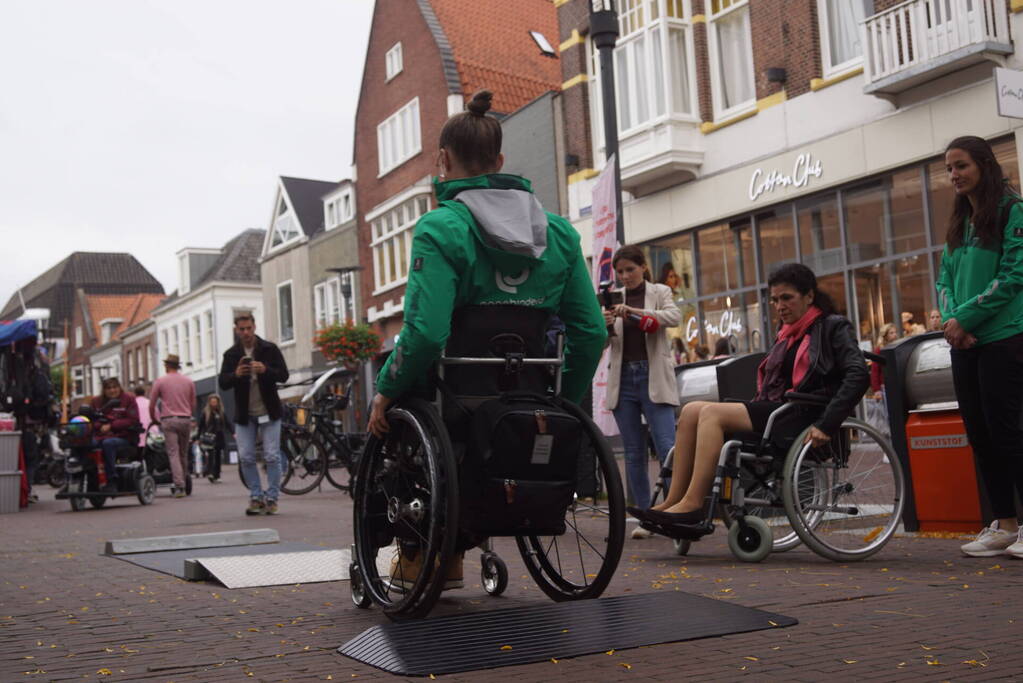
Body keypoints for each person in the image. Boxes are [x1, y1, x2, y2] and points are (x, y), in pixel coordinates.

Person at [366, 89, 606, 587]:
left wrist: (385, 392)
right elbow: (591, 331)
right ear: (499, 161)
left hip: (456, 399)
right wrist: (566, 404)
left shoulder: (441, 228)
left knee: (395, 420)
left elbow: (426, 333)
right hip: (527, 393)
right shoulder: (559, 233)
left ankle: (424, 555)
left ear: (442, 160)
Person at [631, 263, 868, 533]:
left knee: (710, 413)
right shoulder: (788, 334)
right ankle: (673, 501)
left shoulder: (832, 327)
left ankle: (694, 504)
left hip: (805, 415)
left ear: (809, 296)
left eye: (787, 298)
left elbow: (859, 375)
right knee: (690, 410)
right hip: (781, 411)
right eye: (775, 300)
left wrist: (828, 423)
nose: (779, 306)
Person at [936, 135, 1023, 559]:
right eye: (950, 168)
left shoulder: (1011, 209)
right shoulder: (959, 221)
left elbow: (1013, 275)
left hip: (1005, 338)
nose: (954, 175)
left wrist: (964, 318)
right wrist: (955, 323)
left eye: (962, 166)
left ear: (985, 165)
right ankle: (1005, 524)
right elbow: (943, 280)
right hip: (964, 343)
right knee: (981, 435)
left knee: (1009, 432)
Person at [602, 245, 681, 539]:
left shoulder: (660, 291)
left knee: (666, 446)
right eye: (620, 272)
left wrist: (632, 311)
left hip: (653, 376)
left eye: (630, 270)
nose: (625, 276)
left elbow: (672, 317)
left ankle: (674, 510)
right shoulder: (612, 299)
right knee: (633, 452)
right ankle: (645, 516)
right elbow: (603, 344)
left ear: (643, 267)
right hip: (623, 379)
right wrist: (605, 325)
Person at [219, 313, 289, 516]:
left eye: (249, 328)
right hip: (244, 414)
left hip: (270, 411)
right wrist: (236, 374)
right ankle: (257, 496)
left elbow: (284, 375)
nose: (246, 332)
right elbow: (223, 382)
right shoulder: (231, 355)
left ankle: (272, 498)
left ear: (255, 326)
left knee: (272, 456)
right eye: (242, 329)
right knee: (247, 457)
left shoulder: (269, 349)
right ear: (236, 330)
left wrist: (265, 369)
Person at [149, 354, 196, 498]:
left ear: (167, 365)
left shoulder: (160, 381)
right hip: (185, 419)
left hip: (169, 419)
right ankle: (186, 480)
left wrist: (154, 419)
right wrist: (187, 414)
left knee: (173, 453)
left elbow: (152, 404)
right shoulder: (188, 381)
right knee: (183, 453)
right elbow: (193, 403)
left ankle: (179, 486)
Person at [90, 377, 140, 493]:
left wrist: (112, 425)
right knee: (87, 444)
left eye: (114, 387)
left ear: (119, 387)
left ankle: (112, 479)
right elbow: (91, 419)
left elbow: (133, 420)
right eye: (108, 388)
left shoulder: (129, 399)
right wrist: (98, 426)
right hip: (100, 436)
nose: (112, 390)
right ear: (104, 390)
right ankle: (85, 478)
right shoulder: (96, 401)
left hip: (123, 437)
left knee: (109, 444)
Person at [197, 394, 231, 483]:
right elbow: (200, 425)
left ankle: (217, 475)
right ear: (209, 402)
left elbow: (227, 423)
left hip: (219, 436)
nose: (214, 404)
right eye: (212, 402)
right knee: (211, 455)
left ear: (218, 402)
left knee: (218, 456)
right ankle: (211, 473)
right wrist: (198, 437)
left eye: (215, 402)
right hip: (209, 437)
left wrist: (233, 433)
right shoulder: (206, 412)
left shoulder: (221, 412)